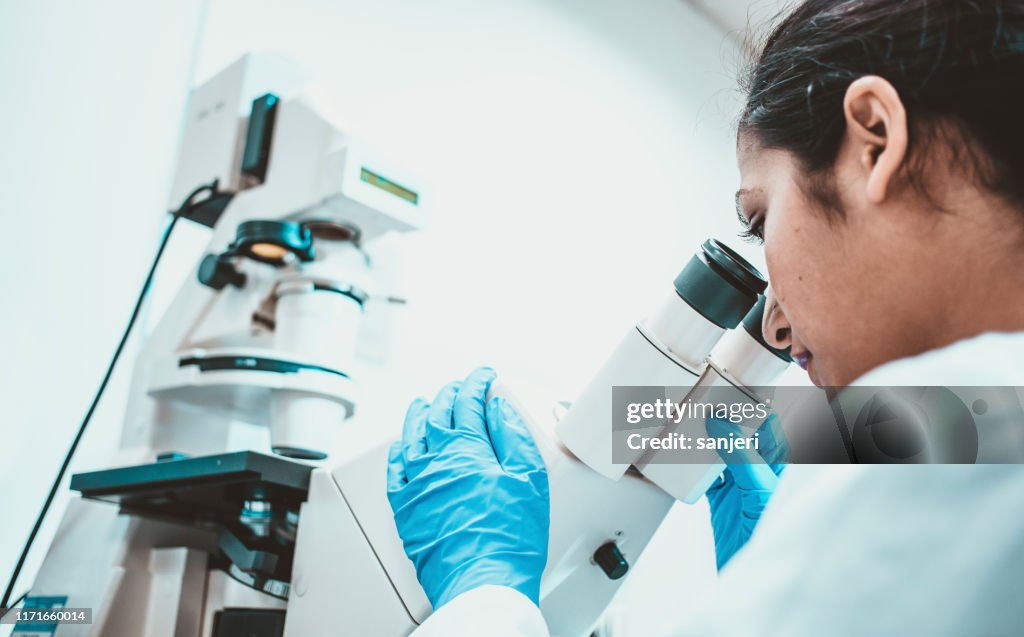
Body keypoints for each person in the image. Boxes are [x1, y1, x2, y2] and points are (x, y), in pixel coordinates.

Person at [386, 1, 1024, 634]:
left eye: (758, 219)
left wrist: (486, 603)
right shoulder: (986, 424)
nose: (773, 322)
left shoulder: (955, 473)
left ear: (875, 143)